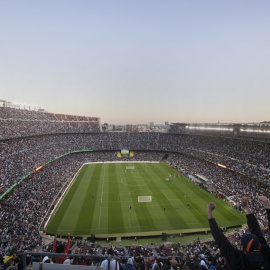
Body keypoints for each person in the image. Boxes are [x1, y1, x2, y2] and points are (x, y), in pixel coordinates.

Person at [207, 196, 270, 270]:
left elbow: (220, 239)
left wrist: (209, 212)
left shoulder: (238, 260)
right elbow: (256, 230)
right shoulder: (266, 254)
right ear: (259, 245)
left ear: (242, 248)